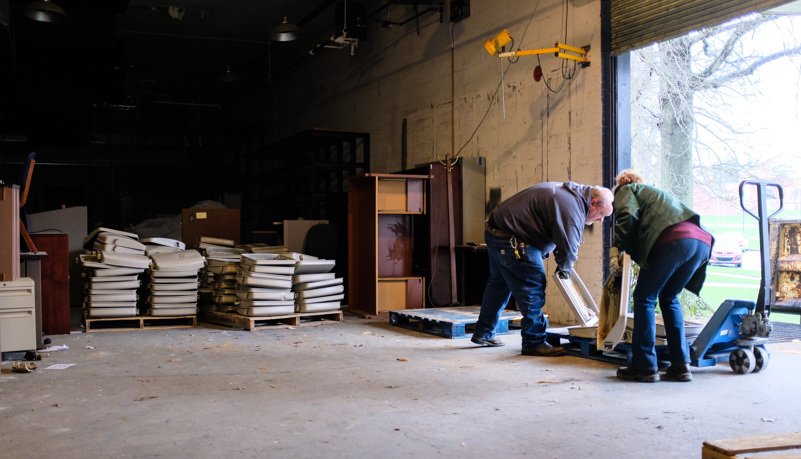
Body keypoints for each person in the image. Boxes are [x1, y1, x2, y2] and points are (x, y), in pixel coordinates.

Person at [471, 181, 614, 356]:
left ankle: (483, 332)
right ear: (593, 203)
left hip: (497, 232)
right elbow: (568, 249)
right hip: (514, 239)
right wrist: (564, 270)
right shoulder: (572, 208)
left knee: (499, 284)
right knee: (533, 287)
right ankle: (534, 342)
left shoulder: (571, 194)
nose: (601, 220)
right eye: (601, 215)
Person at [610, 170, 713, 382]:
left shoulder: (625, 190)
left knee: (644, 298)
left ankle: (645, 366)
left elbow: (627, 215)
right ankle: (680, 366)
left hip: (675, 240)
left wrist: (616, 249)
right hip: (701, 241)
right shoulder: (655, 195)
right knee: (668, 298)